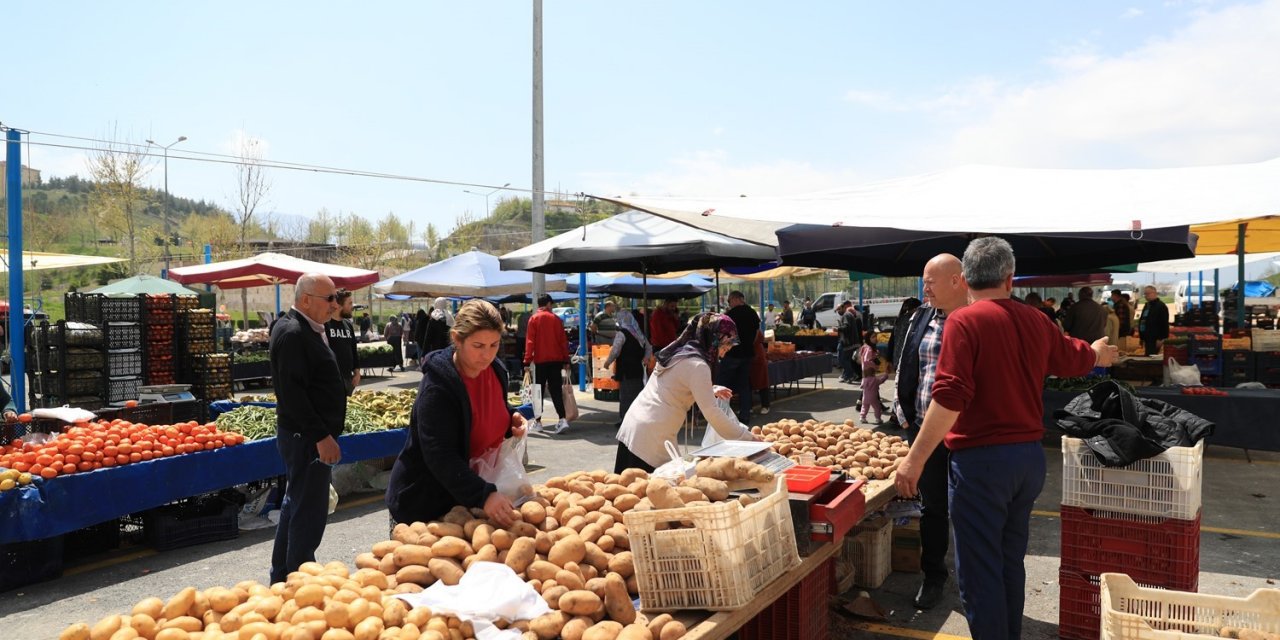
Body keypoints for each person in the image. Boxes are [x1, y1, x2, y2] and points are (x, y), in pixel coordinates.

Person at [894, 238, 1116, 638]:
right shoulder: (1035, 319)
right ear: (1010, 278)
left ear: (966, 279)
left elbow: (948, 398)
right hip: (1027, 462)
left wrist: (915, 458)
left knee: (979, 572)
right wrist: (1098, 353)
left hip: (982, 464)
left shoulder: (965, 321)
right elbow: (1074, 358)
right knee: (1008, 561)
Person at [385, 300, 528, 528]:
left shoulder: (496, 371)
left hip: (464, 501)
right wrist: (484, 495)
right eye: (478, 345)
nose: (487, 355)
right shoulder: (438, 387)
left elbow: (482, 410)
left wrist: (511, 416)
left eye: (494, 345)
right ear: (457, 339)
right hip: (425, 504)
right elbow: (440, 454)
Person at [892, 254, 968, 610]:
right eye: (924, 280)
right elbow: (906, 361)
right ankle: (933, 575)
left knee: (969, 507)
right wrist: (903, 410)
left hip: (968, 434)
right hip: (924, 431)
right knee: (933, 507)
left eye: (931, 281)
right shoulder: (921, 316)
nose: (925, 288)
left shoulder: (976, 319)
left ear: (957, 280)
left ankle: (973, 578)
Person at [267, 273, 347, 584]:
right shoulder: (293, 334)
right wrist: (322, 437)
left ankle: (283, 577)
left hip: (306, 436)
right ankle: (299, 578)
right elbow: (293, 395)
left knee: (296, 503)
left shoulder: (308, 329)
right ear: (305, 300)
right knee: (309, 512)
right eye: (329, 299)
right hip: (306, 439)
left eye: (335, 298)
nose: (335, 304)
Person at [614, 313, 759, 472]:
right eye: (724, 347)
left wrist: (708, 390)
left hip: (636, 424)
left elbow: (675, 382)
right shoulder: (698, 365)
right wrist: (747, 438)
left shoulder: (682, 352)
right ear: (712, 340)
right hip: (650, 437)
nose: (724, 354)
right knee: (641, 490)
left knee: (629, 486)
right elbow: (712, 413)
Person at [524, 294, 572, 434]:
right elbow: (563, 341)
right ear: (549, 304)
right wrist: (566, 360)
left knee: (538, 391)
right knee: (556, 390)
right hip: (556, 361)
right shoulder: (556, 319)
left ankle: (538, 422)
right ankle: (562, 419)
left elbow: (530, 342)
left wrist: (527, 361)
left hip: (540, 362)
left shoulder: (534, 319)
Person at [603, 309, 653, 426]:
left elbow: (615, 350)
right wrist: (645, 358)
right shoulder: (638, 333)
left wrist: (607, 362)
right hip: (638, 370)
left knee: (625, 397)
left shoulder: (622, 334)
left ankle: (626, 422)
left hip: (625, 370)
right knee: (637, 396)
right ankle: (638, 419)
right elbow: (649, 347)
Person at [717, 290, 760, 424]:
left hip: (732, 355)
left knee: (723, 385)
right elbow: (757, 333)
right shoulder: (752, 313)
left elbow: (723, 336)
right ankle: (745, 415)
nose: (729, 304)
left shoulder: (729, 315)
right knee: (744, 385)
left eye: (729, 301)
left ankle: (722, 415)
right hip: (747, 354)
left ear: (735, 299)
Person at [324, 289, 359, 395]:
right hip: (330, 379)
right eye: (350, 303)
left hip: (348, 378)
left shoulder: (348, 325)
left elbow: (353, 349)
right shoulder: (325, 324)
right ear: (339, 305)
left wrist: (357, 372)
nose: (352, 306)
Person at [858, 330, 888, 424]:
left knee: (865, 404)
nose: (875, 339)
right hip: (870, 376)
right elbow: (867, 362)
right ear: (868, 338)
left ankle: (862, 417)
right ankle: (878, 419)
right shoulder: (869, 349)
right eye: (872, 337)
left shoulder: (865, 347)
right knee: (876, 405)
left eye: (875, 336)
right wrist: (875, 365)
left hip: (865, 378)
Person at [1137, 285, 1169, 356]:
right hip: (1147, 337)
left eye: (1148, 293)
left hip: (1154, 338)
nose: (1146, 296)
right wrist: (1142, 337)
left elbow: (1164, 323)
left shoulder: (1161, 306)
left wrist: (1161, 338)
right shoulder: (1147, 305)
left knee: (1152, 357)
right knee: (1147, 356)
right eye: (1145, 294)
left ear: (1155, 293)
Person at [836, 301, 863, 384]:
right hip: (849, 342)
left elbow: (846, 327)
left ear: (844, 308)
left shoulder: (846, 315)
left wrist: (838, 328)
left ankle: (851, 374)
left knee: (842, 359)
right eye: (837, 310)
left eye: (839, 309)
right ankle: (847, 375)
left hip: (848, 342)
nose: (838, 311)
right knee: (846, 359)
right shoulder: (847, 315)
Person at [749, 328, 771, 415]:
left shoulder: (756, 330)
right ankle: (748, 407)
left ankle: (765, 406)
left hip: (758, 359)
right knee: (747, 385)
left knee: (762, 383)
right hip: (748, 358)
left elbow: (760, 338)